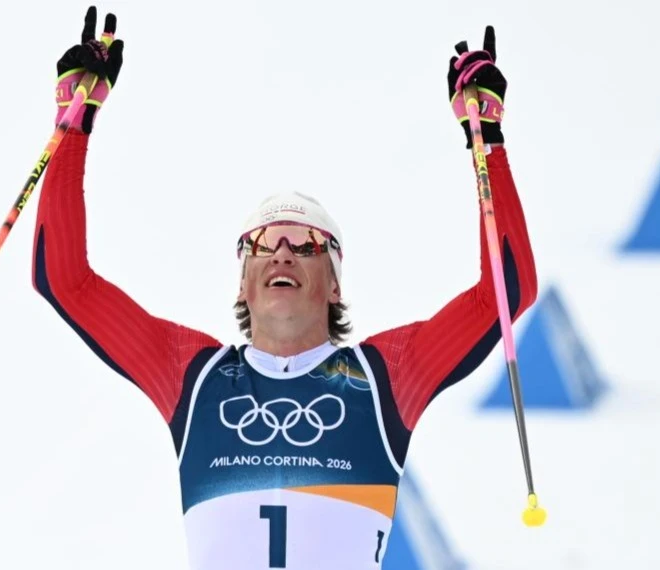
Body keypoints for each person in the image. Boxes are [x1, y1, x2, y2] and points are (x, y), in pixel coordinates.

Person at [32, 6, 538, 569]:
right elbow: (64, 280)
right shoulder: (191, 376)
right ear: (243, 283)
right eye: (263, 242)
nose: (282, 252)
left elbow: (506, 291)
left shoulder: (387, 376)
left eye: (306, 244)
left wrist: (486, 139)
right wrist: (72, 126)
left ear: (334, 286)